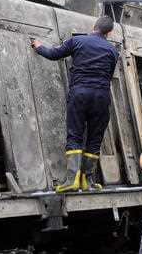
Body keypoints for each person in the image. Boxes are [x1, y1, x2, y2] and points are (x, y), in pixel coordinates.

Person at [31, 15, 119, 192]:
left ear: (94, 26)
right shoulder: (112, 51)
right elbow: (109, 76)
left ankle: (72, 180)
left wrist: (38, 46)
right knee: (95, 138)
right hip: (101, 97)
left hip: (80, 94)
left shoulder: (77, 41)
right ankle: (88, 181)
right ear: (109, 32)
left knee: (75, 135)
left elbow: (53, 54)